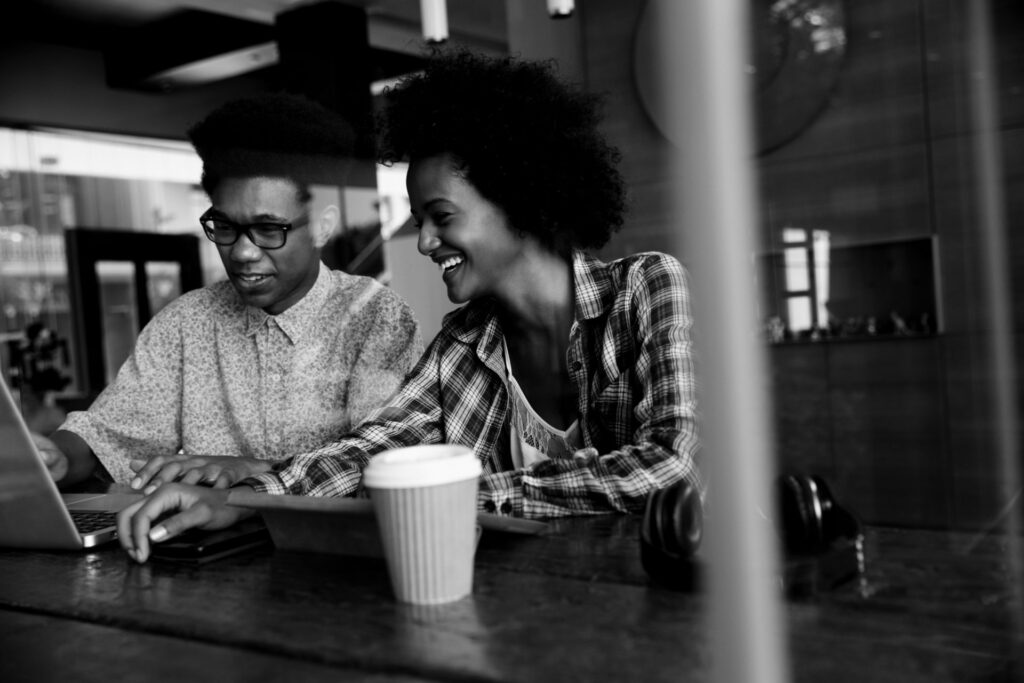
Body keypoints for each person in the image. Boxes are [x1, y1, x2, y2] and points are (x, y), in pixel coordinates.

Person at [119, 50, 701, 563]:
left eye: (441, 218)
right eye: (419, 222)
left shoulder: (645, 288)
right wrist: (241, 501)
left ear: (522, 199)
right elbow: (375, 450)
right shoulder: (461, 344)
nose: (423, 243)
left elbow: (668, 468)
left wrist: (462, 494)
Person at [34, 92, 423, 492]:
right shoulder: (186, 324)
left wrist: (255, 471)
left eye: (269, 229)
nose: (242, 252)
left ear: (323, 227)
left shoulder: (375, 319)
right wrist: (55, 456)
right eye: (225, 227)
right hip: (205, 550)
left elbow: (383, 466)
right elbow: (107, 435)